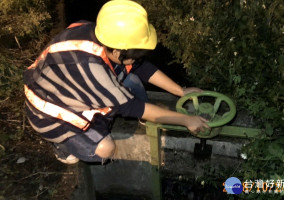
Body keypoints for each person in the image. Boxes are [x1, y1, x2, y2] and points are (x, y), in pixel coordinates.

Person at [23, 0, 209, 164]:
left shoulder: (98, 33)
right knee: (106, 149)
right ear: (118, 53)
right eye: (135, 57)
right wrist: (186, 120)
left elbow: (141, 67)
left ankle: (129, 115)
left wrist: (180, 91)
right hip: (51, 115)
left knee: (132, 79)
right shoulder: (93, 70)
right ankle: (62, 146)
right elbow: (133, 106)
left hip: (67, 87)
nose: (137, 61)